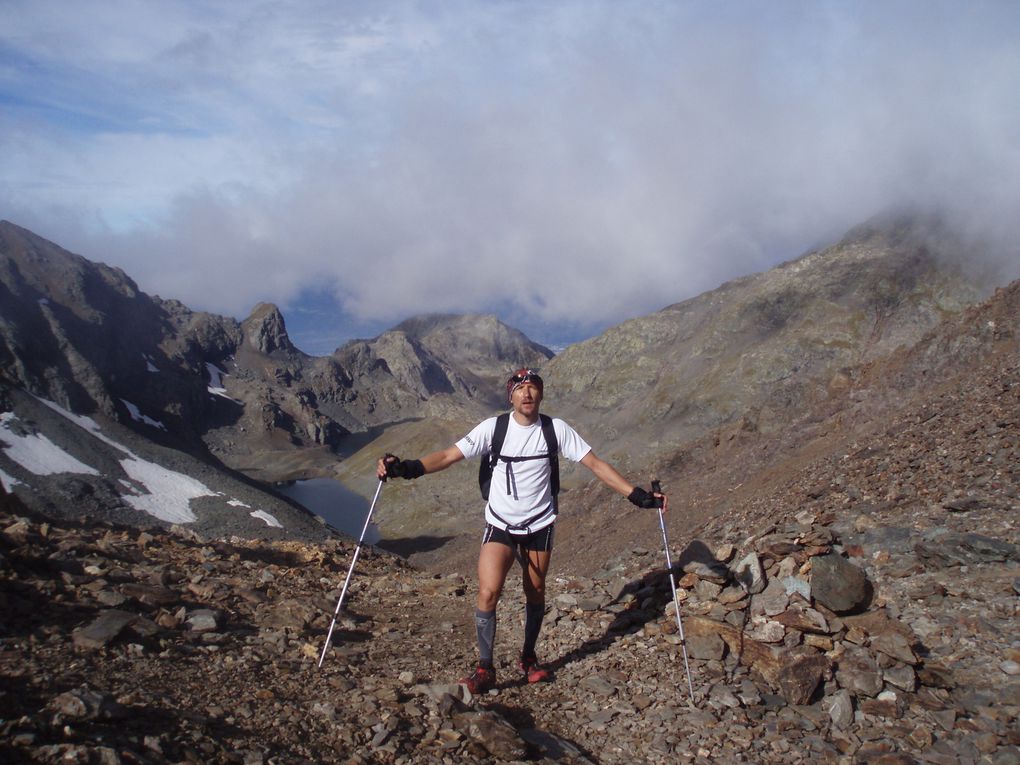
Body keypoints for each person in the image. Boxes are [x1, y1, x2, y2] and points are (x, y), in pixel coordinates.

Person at [376, 367, 667, 694]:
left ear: (540, 394)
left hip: (540, 525)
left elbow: (595, 464)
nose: (527, 393)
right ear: (510, 395)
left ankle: (528, 658)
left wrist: (636, 495)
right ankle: (485, 668)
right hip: (500, 523)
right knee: (488, 592)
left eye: (533, 387)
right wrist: (407, 468)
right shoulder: (494, 428)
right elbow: (448, 455)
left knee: (535, 592)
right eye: (520, 388)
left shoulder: (556, 430)